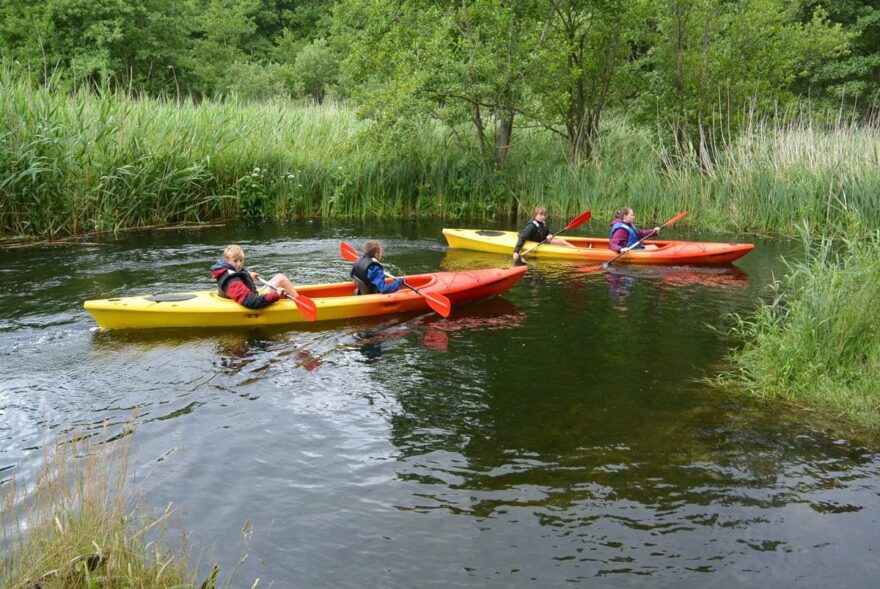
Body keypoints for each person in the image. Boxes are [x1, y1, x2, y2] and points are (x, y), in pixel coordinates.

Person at [210, 244, 300, 309]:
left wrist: (247, 276)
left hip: (243, 297)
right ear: (227, 260)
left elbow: (237, 278)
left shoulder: (225, 269)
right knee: (282, 279)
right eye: (235, 261)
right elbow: (251, 302)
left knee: (281, 277)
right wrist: (276, 295)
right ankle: (300, 305)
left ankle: (299, 301)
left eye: (241, 260)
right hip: (251, 303)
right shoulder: (232, 281)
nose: (239, 264)